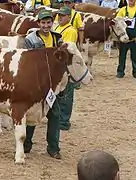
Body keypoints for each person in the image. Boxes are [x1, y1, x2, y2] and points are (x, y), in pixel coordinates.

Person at [23, 9, 63, 159]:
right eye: (43, 23)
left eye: (49, 22)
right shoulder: (30, 40)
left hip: (52, 84)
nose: (46, 25)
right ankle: (27, 143)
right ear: (38, 23)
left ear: (52, 23)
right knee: (33, 113)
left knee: (55, 114)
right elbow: (26, 63)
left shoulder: (58, 38)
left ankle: (53, 148)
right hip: (36, 83)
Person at [54, 0, 84, 130]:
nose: (59, 17)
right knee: (60, 93)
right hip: (59, 63)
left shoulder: (71, 30)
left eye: (62, 15)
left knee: (67, 94)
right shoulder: (58, 27)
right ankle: (60, 118)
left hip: (67, 64)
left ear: (69, 17)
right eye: (59, 15)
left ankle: (64, 121)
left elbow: (68, 49)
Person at [115, 0, 136, 78]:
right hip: (124, 37)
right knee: (122, 56)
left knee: (134, 56)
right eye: (130, 0)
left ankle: (135, 72)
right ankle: (120, 72)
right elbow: (117, 20)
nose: (131, 2)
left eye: (132, 0)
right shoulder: (123, 9)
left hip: (134, 38)